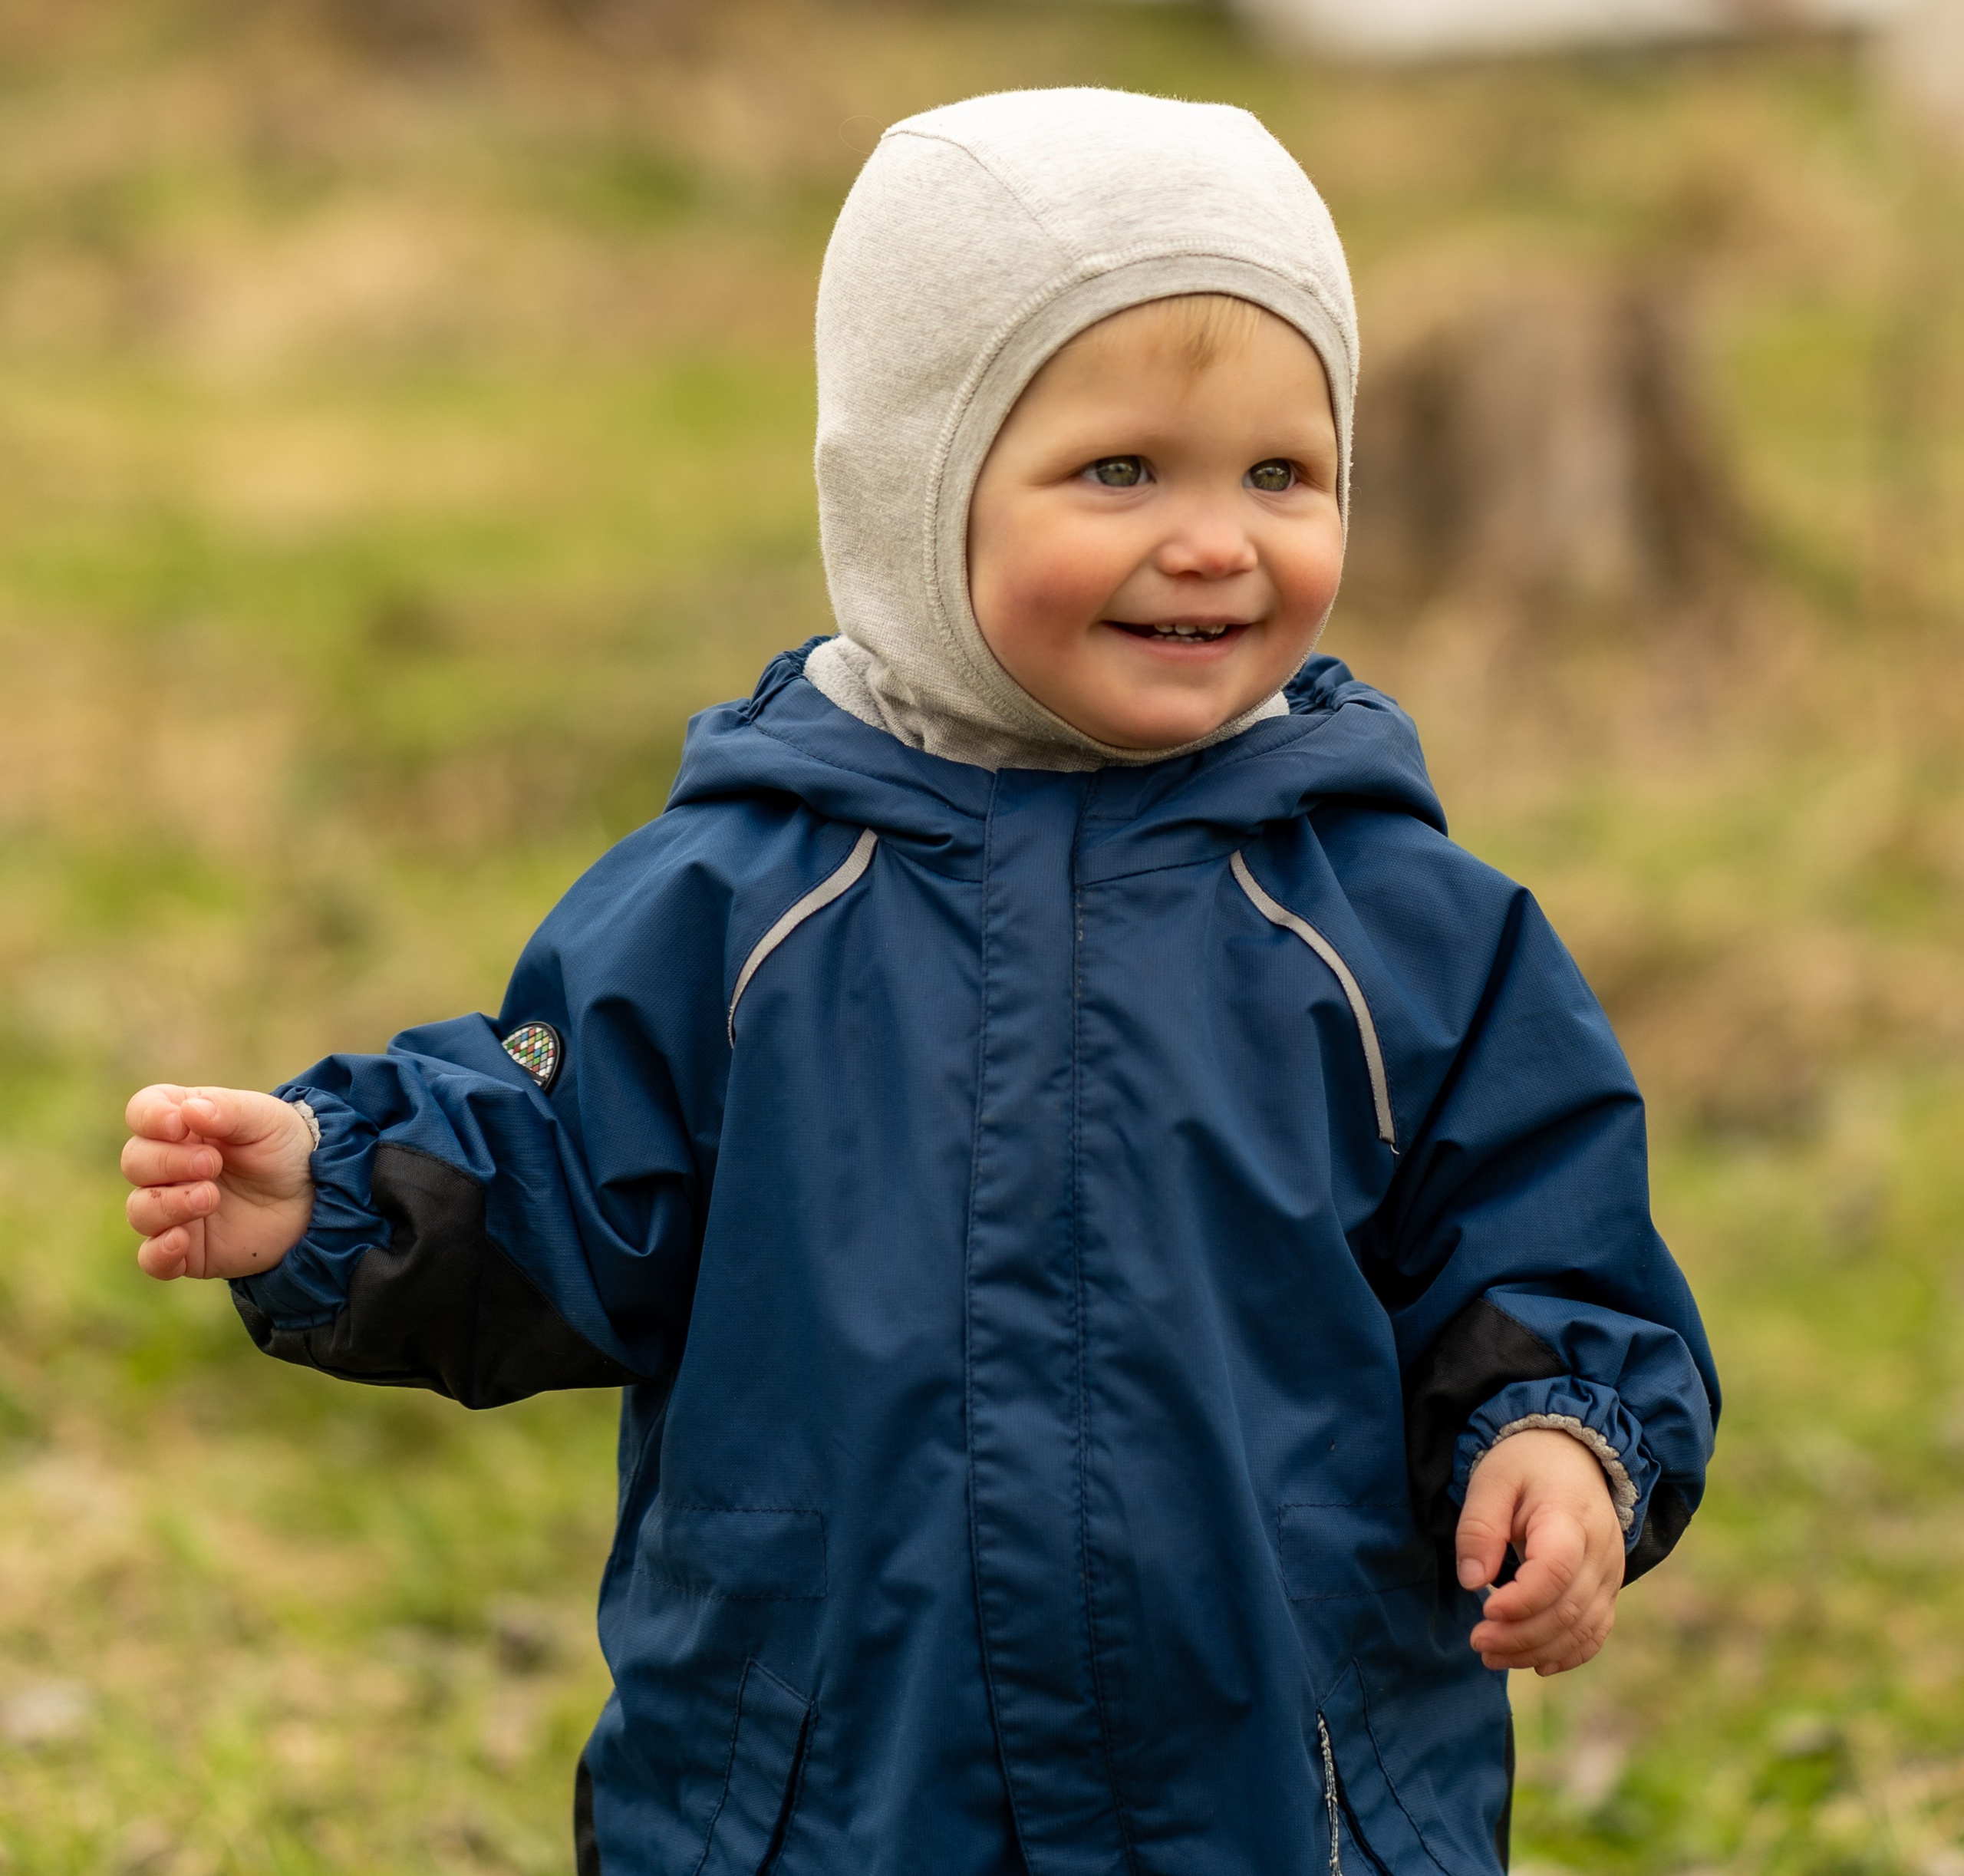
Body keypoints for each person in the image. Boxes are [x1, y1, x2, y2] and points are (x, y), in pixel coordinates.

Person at [119, 87, 1718, 1876]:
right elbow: (566, 1182)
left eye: (1280, 471)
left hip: (1280, 1785)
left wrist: (1561, 1435)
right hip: (832, 1788)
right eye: (1122, 470)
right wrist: (340, 1193)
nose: (1215, 539)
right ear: (913, 490)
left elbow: (1544, 1242)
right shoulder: (735, 901)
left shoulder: (1399, 921)